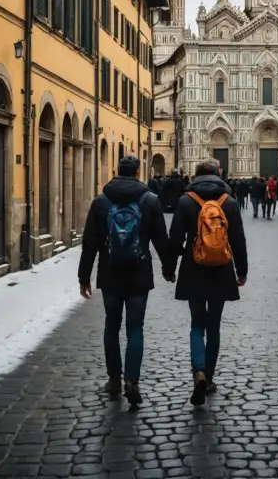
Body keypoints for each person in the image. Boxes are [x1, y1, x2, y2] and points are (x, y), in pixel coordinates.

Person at [78, 154, 171, 407]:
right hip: (139, 273)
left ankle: (114, 380)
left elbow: (90, 243)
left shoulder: (101, 201)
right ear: (138, 172)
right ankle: (132, 380)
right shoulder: (150, 200)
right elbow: (161, 239)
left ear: (117, 171)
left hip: (109, 273)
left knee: (111, 326)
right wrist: (168, 268)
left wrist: (84, 276)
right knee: (135, 328)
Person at [166, 158, 248, 405]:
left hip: (193, 268)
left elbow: (175, 238)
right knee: (214, 326)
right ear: (218, 174)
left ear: (196, 174)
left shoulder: (185, 201)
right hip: (221, 269)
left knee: (196, 325)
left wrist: (169, 268)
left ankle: (198, 371)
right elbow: (238, 239)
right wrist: (242, 271)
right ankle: (209, 378)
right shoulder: (229, 202)